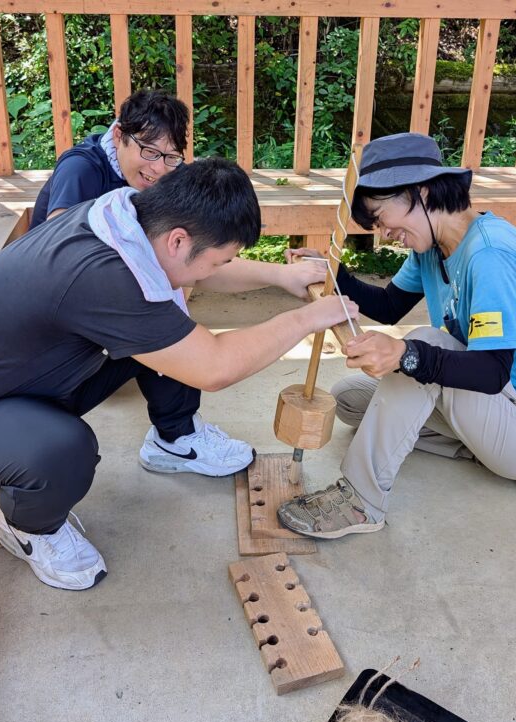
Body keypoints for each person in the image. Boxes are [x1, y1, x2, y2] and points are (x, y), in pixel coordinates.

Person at [0, 158, 358, 589]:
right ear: (178, 240)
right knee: (62, 453)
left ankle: (174, 440)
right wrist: (304, 320)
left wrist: (283, 277)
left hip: (32, 376)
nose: (216, 269)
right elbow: (215, 366)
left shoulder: (126, 219)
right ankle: (29, 527)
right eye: (218, 259)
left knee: (171, 325)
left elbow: (199, 273)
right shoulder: (102, 275)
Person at [278, 132, 516, 539]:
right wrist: (333, 273)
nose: (382, 232)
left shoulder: (489, 255)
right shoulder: (432, 248)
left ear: (419, 191)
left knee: (425, 348)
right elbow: (387, 306)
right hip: (492, 414)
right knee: (351, 400)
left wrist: (406, 355)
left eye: (380, 216)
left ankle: (360, 502)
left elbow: (491, 372)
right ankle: (478, 453)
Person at [29, 89, 327, 478]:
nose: (157, 168)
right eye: (149, 151)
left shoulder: (155, 185)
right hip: (60, 324)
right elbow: (61, 244)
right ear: (119, 136)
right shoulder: (82, 168)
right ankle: (176, 436)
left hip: (98, 314)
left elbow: (195, 263)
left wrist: (282, 276)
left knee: (167, 303)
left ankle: (176, 434)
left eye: (170, 157)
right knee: (164, 315)